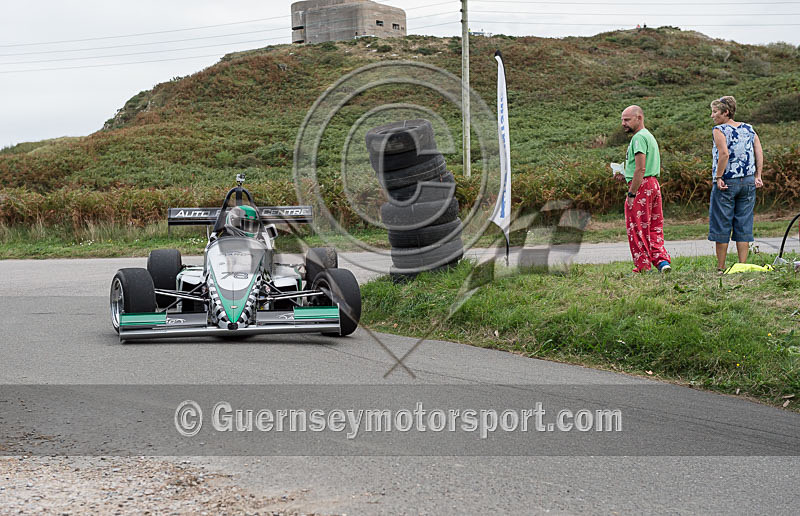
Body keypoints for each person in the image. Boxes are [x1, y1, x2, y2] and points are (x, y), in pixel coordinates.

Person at [708, 96, 764, 272]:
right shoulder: (749, 129)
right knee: (744, 222)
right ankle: (742, 264)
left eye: (715, 112)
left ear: (726, 113)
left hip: (727, 182)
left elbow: (724, 154)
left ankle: (721, 267)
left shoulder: (719, 130)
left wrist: (718, 177)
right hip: (748, 181)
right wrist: (758, 175)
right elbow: (758, 151)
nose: (712, 116)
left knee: (722, 222)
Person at [617, 105, 672, 273]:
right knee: (654, 225)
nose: (623, 124)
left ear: (639, 118)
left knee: (637, 227)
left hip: (642, 186)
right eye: (622, 120)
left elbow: (640, 168)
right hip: (653, 184)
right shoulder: (649, 136)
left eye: (627, 120)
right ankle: (662, 262)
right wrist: (624, 173)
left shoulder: (638, 138)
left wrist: (632, 193)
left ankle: (643, 267)